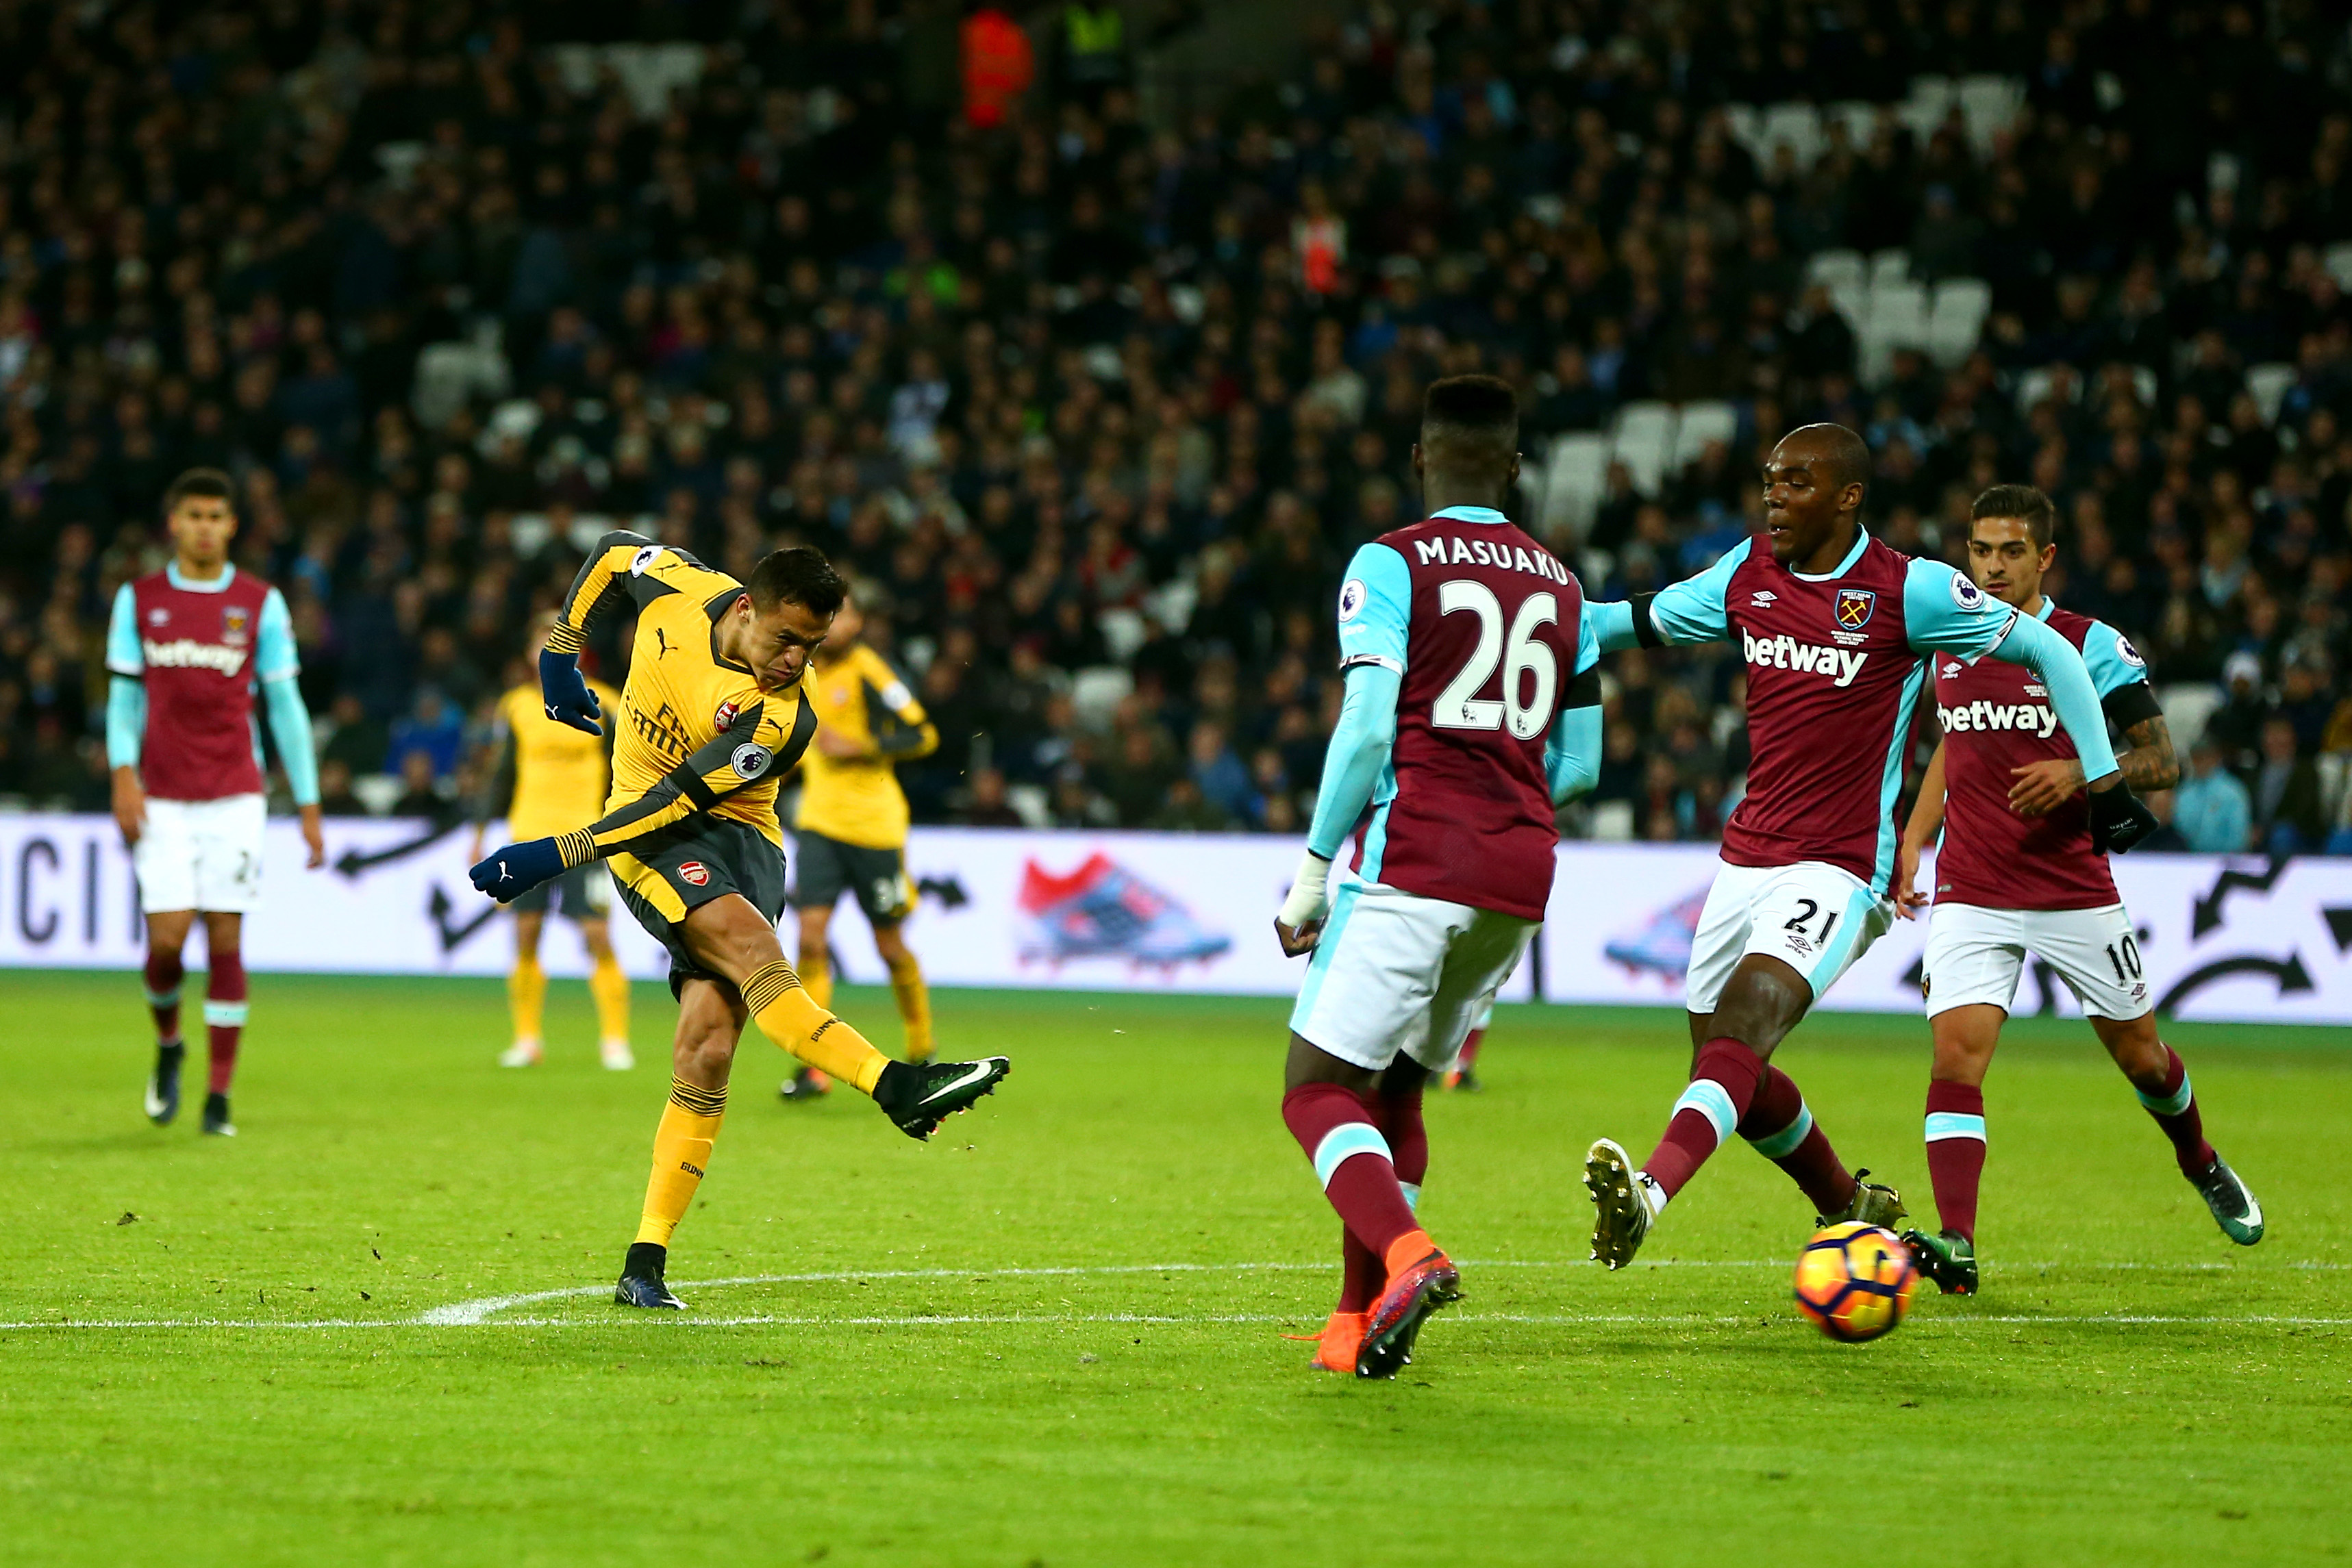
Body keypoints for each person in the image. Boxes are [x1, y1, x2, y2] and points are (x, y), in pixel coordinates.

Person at [1577, 425, 2162, 1269]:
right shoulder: (1746, 574)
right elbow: (1631, 621)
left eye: (1797, 483)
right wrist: (1543, 612)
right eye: (1770, 482)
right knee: (1726, 1060)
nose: (1774, 497)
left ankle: (1648, 1194)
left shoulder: (1909, 590)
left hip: (1842, 864)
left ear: (1847, 496)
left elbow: (2045, 648)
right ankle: (1848, 1204)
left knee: (1745, 1025)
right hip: (1745, 859)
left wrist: (2101, 782)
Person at [469, 535, 1010, 1311]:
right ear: (746, 607)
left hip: (738, 838)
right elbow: (615, 552)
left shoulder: (781, 720)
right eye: (786, 639)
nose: (796, 661)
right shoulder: (683, 591)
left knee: (708, 1050)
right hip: (650, 846)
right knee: (759, 954)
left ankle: (643, 1262)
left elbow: (680, 795)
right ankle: (895, 1083)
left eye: (813, 646)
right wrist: (562, 649)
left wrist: (554, 853)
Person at [1271, 375, 1602, 1378]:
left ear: (1419, 459)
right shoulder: (1563, 585)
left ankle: (1409, 1256)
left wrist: (1314, 871)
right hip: (1518, 867)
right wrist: (1502, 795)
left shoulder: (1392, 561)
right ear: (1512, 466)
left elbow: (1369, 725)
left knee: (1315, 1090)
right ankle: (1352, 1317)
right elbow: (1581, 768)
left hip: (1412, 853)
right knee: (1399, 1089)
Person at [1892, 484, 2260, 1295]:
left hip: (2072, 889)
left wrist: (2080, 772)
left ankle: (2198, 1160)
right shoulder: (1950, 640)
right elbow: (1957, 745)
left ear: (2044, 558)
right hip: (1972, 886)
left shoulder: (2088, 644)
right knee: (1954, 1057)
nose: (1991, 567)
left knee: (2143, 1060)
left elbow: (2160, 759)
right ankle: (1956, 1239)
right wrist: (1914, 837)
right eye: (1980, 550)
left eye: (2010, 552)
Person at [105, 468, 324, 1138]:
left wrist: (309, 802)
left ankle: (218, 1099)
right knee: (167, 941)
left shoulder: (259, 602)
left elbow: (284, 704)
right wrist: (123, 775)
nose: (204, 526)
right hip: (164, 795)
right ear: (173, 522)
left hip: (235, 793)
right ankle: (169, 1042)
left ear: (232, 525)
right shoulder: (138, 599)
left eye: (216, 515)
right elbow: (123, 699)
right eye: (193, 514)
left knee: (226, 935)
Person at [780, 591, 942, 1102]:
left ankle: (922, 1047)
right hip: (820, 825)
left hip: (875, 830)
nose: (832, 622)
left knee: (889, 947)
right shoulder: (798, 672)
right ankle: (814, 1066)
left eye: (842, 612)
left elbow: (923, 734)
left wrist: (863, 747)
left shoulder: (870, 671)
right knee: (810, 938)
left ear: (858, 621)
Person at [471, 617, 632, 1071]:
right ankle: (527, 1039)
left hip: (588, 837)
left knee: (597, 936)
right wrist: (481, 832)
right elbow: (502, 774)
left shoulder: (608, 700)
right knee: (526, 935)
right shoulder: (517, 706)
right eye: (540, 640)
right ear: (528, 654)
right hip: (528, 835)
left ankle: (615, 1039)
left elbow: (628, 772)